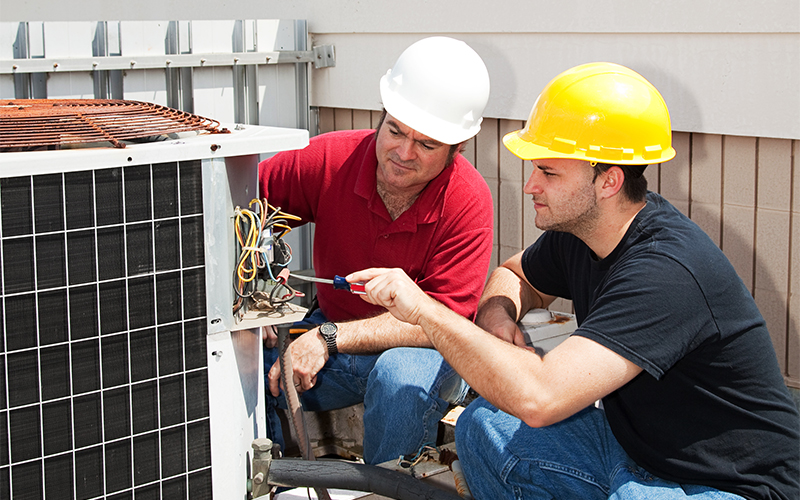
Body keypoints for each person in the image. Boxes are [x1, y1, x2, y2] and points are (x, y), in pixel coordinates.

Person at [348, 62, 800, 499]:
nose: (530, 186)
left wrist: (426, 310)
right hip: (639, 450)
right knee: (484, 425)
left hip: (730, 484)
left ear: (608, 181)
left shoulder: (666, 273)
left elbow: (540, 398)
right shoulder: (586, 232)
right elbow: (513, 273)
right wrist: (496, 315)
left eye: (547, 171)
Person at [258, 36, 493, 465]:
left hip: (423, 351)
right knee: (247, 364)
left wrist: (328, 338)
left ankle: (387, 490)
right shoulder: (331, 158)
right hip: (329, 332)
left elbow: (442, 320)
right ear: (381, 116)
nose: (402, 153)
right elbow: (236, 205)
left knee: (399, 377)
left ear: (458, 148)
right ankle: (263, 480)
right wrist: (256, 278)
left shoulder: (468, 200)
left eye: (426, 145)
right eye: (395, 130)